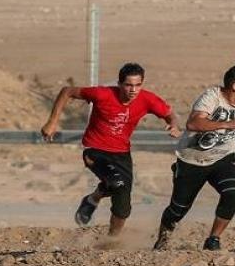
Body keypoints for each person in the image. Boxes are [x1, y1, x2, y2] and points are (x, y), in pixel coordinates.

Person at [40, 63, 182, 236]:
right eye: (128, 85)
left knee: (123, 206)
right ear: (120, 84)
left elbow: (169, 114)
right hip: (95, 150)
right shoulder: (103, 94)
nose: (133, 90)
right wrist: (53, 122)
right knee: (116, 182)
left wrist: (173, 125)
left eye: (138, 85)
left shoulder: (147, 99)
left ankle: (111, 236)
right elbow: (67, 91)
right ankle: (95, 199)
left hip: (121, 154)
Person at [154, 65, 235, 251]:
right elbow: (193, 123)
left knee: (232, 194)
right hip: (192, 158)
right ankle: (163, 238)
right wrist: (226, 124)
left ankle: (213, 239)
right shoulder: (212, 97)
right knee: (179, 208)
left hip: (223, 157)